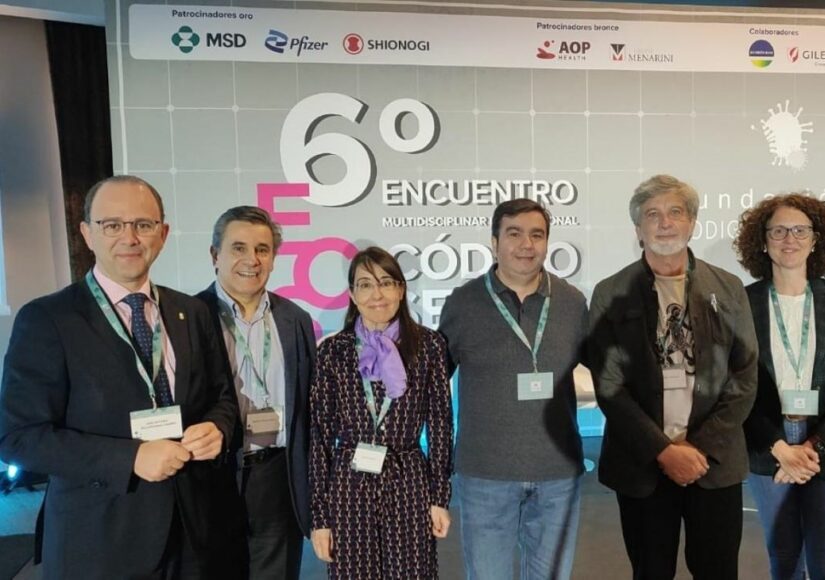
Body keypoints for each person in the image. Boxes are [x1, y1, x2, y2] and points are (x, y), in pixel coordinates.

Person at [0, 175, 242, 579]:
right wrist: (130, 458)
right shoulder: (47, 319)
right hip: (100, 541)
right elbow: (19, 437)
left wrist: (218, 427)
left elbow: (222, 398)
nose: (129, 238)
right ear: (86, 234)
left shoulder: (192, 312)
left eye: (143, 225)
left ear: (163, 234)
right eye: (112, 225)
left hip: (193, 535)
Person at [587, 174, 758, 580]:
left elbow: (745, 374)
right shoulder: (611, 292)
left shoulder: (728, 288)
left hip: (712, 463)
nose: (665, 223)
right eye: (652, 214)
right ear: (638, 229)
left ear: (692, 223)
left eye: (675, 212)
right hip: (643, 465)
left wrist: (699, 448)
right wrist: (664, 451)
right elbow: (609, 386)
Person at [438, 198, 588, 580]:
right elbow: (433, 383)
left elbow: (610, 372)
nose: (526, 245)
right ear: (494, 242)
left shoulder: (572, 303)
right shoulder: (463, 304)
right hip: (485, 474)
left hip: (557, 473)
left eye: (537, 235)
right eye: (514, 234)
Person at [733, 193, 825, 580]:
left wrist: (812, 447)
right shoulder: (743, 302)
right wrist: (780, 448)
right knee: (784, 560)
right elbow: (736, 388)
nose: (789, 239)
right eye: (778, 231)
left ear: (816, 240)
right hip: (768, 446)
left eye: (800, 230)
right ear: (762, 241)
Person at [309, 247, 453, 579]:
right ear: (352, 295)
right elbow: (319, 436)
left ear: (401, 290)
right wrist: (321, 518)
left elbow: (441, 425)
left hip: (409, 480)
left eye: (386, 283)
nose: (377, 294)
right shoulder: (334, 351)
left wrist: (439, 497)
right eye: (365, 285)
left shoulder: (429, 346)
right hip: (349, 483)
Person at [195, 206, 315, 579]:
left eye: (262, 249)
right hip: (213, 475)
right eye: (239, 248)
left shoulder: (295, 319)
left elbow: (307, 405)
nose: (252, 260)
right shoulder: (188, 316)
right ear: (215, 255)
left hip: (278, 475)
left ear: (274, 258)